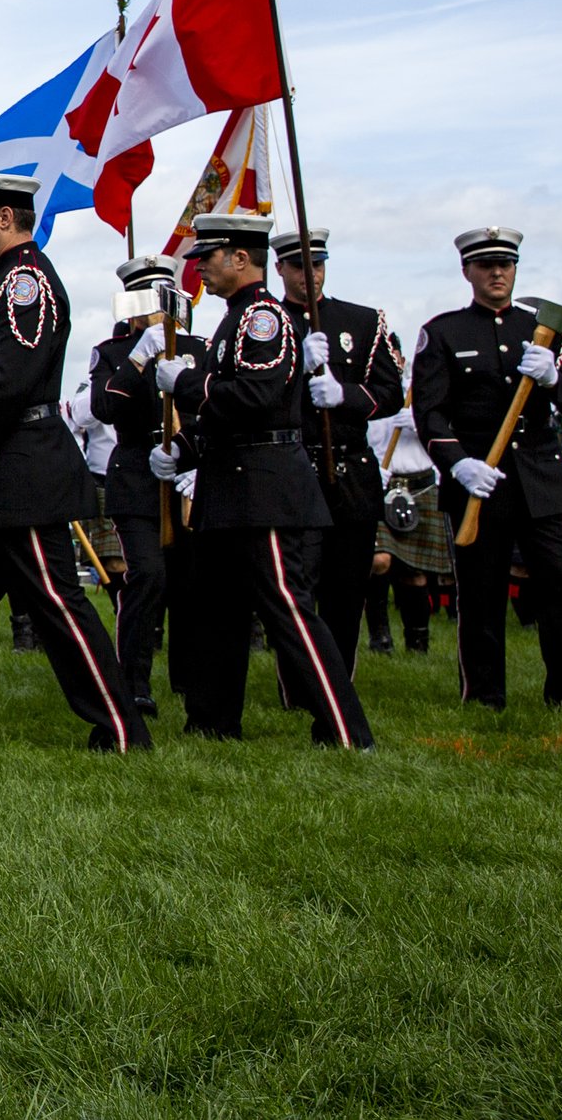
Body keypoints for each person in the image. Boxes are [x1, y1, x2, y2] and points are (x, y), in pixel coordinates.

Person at [0, 174, 146, 752]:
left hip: (22, 467)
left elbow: (8, 384)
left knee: (56, 602)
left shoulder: (27, 284)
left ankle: (119, 729)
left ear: (6, 218)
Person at [144, 213, 370, 748]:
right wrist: (186, 451)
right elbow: (230, 416)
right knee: (215, 609)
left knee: (288, 609)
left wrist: (190, 384)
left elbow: (256, 398)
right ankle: (213, 721)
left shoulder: (264, 318)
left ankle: (343, 729)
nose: (199, 267)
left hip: (265, 487)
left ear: (241, 258)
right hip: (231, 483)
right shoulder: (234, 319)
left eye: (209, 257)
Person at [412, 226, 562, 710]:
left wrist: (555, 379)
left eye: (506, 264)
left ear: (516, 269)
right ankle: (484, 696)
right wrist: (459, 465)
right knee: (480, 595)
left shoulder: (548, 331)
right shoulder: (444, 331)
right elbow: (429, 413)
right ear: (467, 270)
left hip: (542, 478)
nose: (497, 272)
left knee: (558, 588)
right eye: (486, 265)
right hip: (480, 480)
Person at [273, 228, 405, 678]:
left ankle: (339, 678)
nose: (309, 275)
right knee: (298, 583)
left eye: (317, 264)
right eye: (298, 266)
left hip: (351, 469)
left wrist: (344, 396)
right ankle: (297, 681)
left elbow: (390, 393)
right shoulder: (267, 321)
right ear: (280, 269)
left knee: (347, 584)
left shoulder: (363, 321)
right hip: (294, 465)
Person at [87, 254, 210, 718]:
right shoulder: (113, 352)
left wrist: (188, 452)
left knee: (189, 582)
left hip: (187, 471)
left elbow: (211, 410)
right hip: (137, 471)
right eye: (145, 301)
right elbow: (104, 407)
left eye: (162, 299)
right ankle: (134, 681)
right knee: (148, 577)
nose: (155, 311)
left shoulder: (198, 347)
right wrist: (138, 360)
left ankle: (189, 677)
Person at [370, 349, 455, 652]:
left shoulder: (425, 391)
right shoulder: (370, 392)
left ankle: (417, 641)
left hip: (419, 484)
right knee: (379, 561)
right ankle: (379, 634)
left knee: (415, 571)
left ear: (403, 361)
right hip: (381, 483)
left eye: (395, 357)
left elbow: (452, 431)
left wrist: (422, 423)